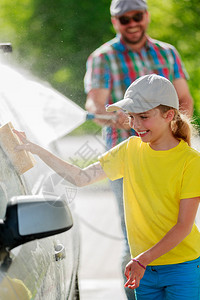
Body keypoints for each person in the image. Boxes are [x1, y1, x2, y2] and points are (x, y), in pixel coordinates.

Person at [14, 74, 200, 300]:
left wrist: (142, 260)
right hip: (144, 269)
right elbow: (81, 177)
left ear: (169, 114)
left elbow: (183, 227)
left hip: (182, 268)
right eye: (132, 117)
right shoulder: (129, 150)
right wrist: (34, 148)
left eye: (143, 116)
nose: (136, 125)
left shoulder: (190, 161)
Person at [84, 1, 194, 298]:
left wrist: (172, 138)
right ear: (114, 21)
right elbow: (95, 104)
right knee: (132, 240)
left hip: (168, 158)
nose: (131, 23)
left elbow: (184, 100)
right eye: (123, 19)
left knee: (177, 228)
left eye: (136, 16)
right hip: (128, 160)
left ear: (146, 16)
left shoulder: (167, 52)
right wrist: (119, 119)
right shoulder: (102, 58)